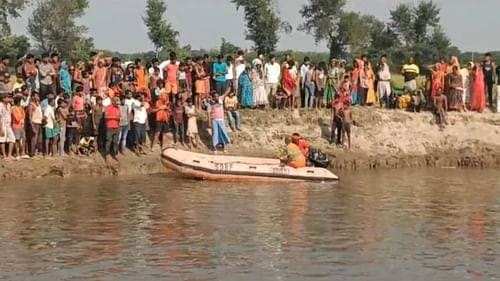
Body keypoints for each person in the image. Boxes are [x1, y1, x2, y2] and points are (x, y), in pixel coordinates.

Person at [104, 96, 121, 164]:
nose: (117, 104)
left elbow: (119, 116)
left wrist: (118, 118)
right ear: (113, 102)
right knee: (108, 141)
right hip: (110, 126)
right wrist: (114, 117)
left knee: (116, 141)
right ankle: (107, 155)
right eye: (116, 103)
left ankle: (116, 154)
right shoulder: (108, 107)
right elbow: (106, 116)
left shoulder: (118, 108)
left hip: (117, 126)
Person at [0, 95, 15, 160]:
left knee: (12, 138)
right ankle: (4, 155)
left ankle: (9, 155)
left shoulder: (9, 105)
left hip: (8, 124)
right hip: (2, 124)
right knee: (2, 139)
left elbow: (10, 114)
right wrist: (1, 128)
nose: (8, 98)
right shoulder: (0, 105)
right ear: (3, 98)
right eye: (7, 97)